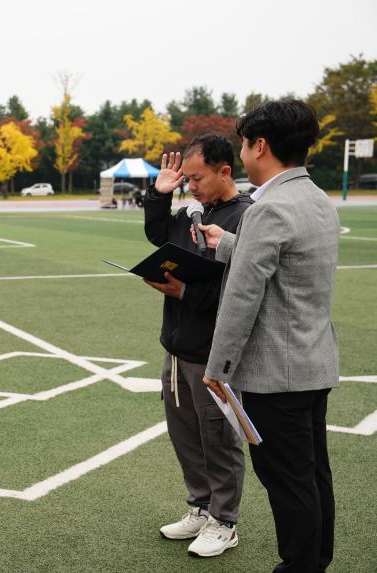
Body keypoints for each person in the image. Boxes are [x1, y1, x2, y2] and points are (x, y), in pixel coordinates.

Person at [200, 100, 338, 572]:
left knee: (287, 479)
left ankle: (300, 565)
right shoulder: (315, 198)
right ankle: (315, 561)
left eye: (243, 144)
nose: (241, 154)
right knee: (312, 473)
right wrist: (229, 243)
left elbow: (242, 297)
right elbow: (290, 263)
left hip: (275, 375)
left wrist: (218, 368)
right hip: (313, 362)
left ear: (260, 145)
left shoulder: (269, 209)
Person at [143, 135, 253, 558]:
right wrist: (159, 195)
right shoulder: (194, 209)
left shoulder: (245, 217)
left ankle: (224, 521)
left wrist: (185, 293)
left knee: (219, 439)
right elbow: (159, 236)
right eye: (186, 179)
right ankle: (201, 507)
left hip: (213, 353)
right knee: (186, 436)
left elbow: (243, 290)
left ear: (225, 171)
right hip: (176, 346)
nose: (191, 187)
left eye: (197, 178)